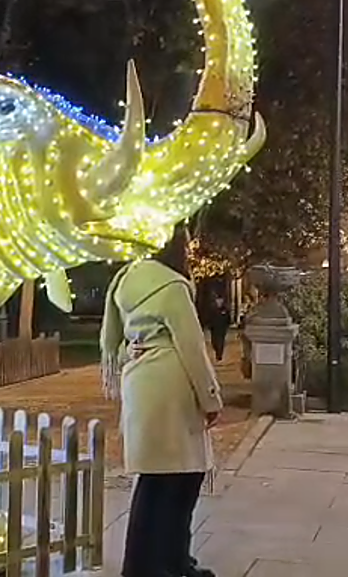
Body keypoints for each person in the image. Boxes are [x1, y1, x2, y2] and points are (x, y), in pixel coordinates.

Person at [101, 225, 221, 577]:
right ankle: (166, 563)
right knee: (181, 480)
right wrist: (210, 398)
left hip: (141, 383)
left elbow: (122, 338)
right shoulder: (171, 286)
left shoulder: (126, 280)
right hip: (172, 386)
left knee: (155, 481)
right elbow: (192, 347)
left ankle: (152, 563)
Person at [205, 294, 232, 363]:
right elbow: (209, 317)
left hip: (222, 328)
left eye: (220, 300)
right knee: (213, 342)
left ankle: (219, 355)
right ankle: (217, 351)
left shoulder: (225, 309)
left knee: (220, 341)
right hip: (214, 328)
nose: (219, 301)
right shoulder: (212, 308)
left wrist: (227, 325)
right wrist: (209, 324)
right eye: (218, 300)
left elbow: (228, 318)